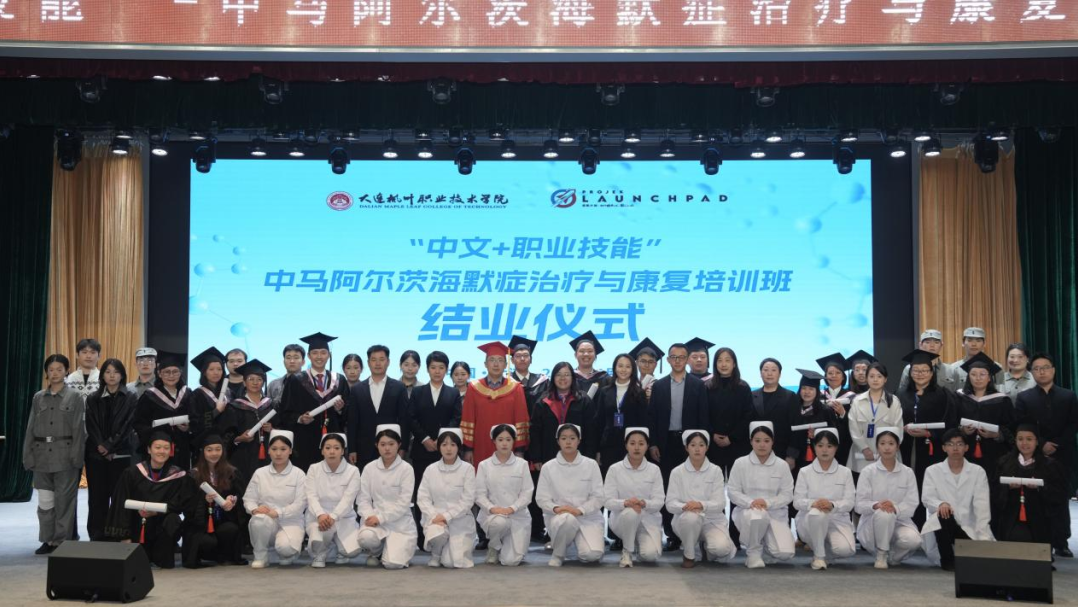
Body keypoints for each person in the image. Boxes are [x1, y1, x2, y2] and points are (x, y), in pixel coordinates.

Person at [1016, 352, 1078, 557]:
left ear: (1053, 370)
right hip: (1035, 453)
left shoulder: (1068, 396)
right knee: (1037, 498)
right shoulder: (1024, 397)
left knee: (1060, 497)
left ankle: (1061, 541)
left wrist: (1056, 444)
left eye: (1045, 368)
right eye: (1036, 369)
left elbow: (1073, 424)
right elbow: (1022, 425)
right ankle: (1040, 540)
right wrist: (1041, 444)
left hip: (1063, 453)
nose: (1041, 372)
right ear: (1031, 372)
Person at [647, 342, 708, 551]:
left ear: (687, 359)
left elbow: (703, 416)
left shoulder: (698, 385)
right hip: (666, 442)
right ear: (668, 360)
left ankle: (694, 531)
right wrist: (653, 443)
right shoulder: (660, 386)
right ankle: (672, 534)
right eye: (674, 357)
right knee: (667, 488)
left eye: (682, 357)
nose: (678, 361)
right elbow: (652, 417)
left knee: (690, 486)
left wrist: (702, 443)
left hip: (691, 443)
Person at [23, 354, 86, 555]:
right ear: (46, 373)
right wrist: (27, 455)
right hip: (41, 457)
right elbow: (31, 427)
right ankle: (47, 539)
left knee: (64, 502)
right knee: (45, 502)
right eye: (51, 369)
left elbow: (79, 430)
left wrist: (77, 457)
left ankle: (61, 541)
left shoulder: (74, 397)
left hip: (65, 457)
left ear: (67, 371)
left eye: (59, 369)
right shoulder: (38, 397)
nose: (55, 373)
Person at [105, 431, 191, 568]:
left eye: (166, 448)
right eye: (157, 447)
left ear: (170, 451)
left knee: (173, 519)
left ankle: (164, 554)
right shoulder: (132, 473)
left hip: (162, 526)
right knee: (137, 564)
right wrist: (124, 536)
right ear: (149, 450)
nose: (162, 451)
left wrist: (156, 511)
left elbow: (180, 502)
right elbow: (120, 504)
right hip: (137, 525)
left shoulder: (178, 475)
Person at [408, 351, 462, 548]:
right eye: (433, 367)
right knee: (422, 493)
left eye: (441, 368)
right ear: (427, 369)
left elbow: (456, 418)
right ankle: (423, 536)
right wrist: (424, 439)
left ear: (446, 370)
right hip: (422, 450)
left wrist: (441, 440)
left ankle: (445, 531)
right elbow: (411, 418)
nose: (437, 371)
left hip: (446, 450)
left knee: (445, 492)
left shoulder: (453, 393)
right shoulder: (417, 392)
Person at [898, 348, 957, 524]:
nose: (920, 374)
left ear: (932, 373)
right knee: (910, 485)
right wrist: (903, 429)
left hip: (934, 449)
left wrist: (930, 433)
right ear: (910, 373)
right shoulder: (901, 394)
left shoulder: (943, 395)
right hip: (908, 448)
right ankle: (911, 525)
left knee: (932, 486)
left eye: (924, 370)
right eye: (916, 370)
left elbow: (951, 422)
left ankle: (934, 527)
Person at [921, 428, 993, 570]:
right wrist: (941, 504)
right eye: (950, 444)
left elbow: (982, 506)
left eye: (959, 444)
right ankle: (947, 560)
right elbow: (927, 498)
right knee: (943, 513)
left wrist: (983, 536)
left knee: (978, 558)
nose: (955, 448)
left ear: (966, 448)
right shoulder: (932, 470)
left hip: (969, 528)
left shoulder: (977, 471)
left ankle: (966, 551)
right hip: (943, 525)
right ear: (944, 448)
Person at [727, 421, 795, 568]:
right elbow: (732, 491)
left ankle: (766, 548)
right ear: (751, 441)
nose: (762, 445)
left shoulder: (782, 465)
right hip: (748, 512)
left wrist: (768, 503)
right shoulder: (740, 463)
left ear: (772, 442)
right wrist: (750, 502)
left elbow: (787, 494)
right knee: (757, 516)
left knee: (785, 553)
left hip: (775, 513)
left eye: (766, 441)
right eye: (757, 441)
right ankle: (753, 553)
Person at [536, 423, 605, 567]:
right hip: (559, 517)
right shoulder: (548, 467)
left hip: (587, 517)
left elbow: (598, 497)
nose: (568, 442)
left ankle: (579, 543)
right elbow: (541, 498)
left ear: (579, 440)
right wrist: (557, 508)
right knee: (566, 520)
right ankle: (558, 553)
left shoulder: (591, 465)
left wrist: (580, 510)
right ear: (558, 441)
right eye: (564, 438)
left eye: (572, 438)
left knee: (592, 555)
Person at [665, 430, 737, 568]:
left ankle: (705, 548)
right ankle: (689, 554)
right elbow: (670, 504)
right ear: (686, 448)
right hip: (685, 520)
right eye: (693, 445)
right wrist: (685, 507)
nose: (697, 449)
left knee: (721, 549)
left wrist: (700, 505)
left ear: (707, 447)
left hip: (711, 520)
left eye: (701, 445)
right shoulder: (677, 472)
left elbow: (720, 503)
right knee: (691, 517)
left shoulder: (715, 471)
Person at [84, 358, 137, 541]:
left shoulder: (130, 397)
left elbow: (127, 425)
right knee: (96, 496)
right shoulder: (93, 398)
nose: (112, 376)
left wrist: (109, 445)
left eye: (116, 372)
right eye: (107, 372)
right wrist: (101, 445)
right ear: (102, 375)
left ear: (122, 375)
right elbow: (91, 424)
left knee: (119, 496)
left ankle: (117, 532)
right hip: (95, 455)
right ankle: (97, 534)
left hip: (121, 454)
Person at [282, 333, 350, 472]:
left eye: (323, 352)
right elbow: (284, 412)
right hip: (305, 440)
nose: (319, 356)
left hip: (332, 441)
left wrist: (340, 409)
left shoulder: (339, 380)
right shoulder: (296, 380)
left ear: (329, 355)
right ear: (308, 356)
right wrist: (300, 418)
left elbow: (349, 413)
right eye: (315, 353)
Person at [855, 427, 922, 568]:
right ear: (877, 447)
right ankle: (881, 553)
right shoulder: (868, 472)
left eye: (891, 443)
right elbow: (859, 505)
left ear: (897, 447)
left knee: (913, 540)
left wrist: (895, 508)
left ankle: (893, 557)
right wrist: (877, 505)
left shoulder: (907, 472)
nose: (887, 448)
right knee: (884, 513)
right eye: (882, 443)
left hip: (900, 520)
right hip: (873, 521)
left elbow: (912, 503)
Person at [793, 428, 856, 570]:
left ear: (836, 448)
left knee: (846, 550)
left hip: (837, 519)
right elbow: (797, 501)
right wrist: (814, 503)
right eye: (820, 445)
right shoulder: (805, 472)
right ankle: (819, 556)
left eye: (829, 446)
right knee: (818, 514)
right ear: (814, 447)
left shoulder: (845, 472)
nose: (825, 450)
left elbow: (850, 502)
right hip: (810, 520)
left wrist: (832, 505)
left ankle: (825, 551)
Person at [994, 424, 1068, 545]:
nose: (1024, 443)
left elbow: (1060, 495)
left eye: (1029, 439)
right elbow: (994, 491)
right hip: (1011, 517)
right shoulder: (1005, 463)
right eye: (1020, 439)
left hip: (1040, 517)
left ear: (1037, 442)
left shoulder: (1050, 465)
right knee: (1016, 537)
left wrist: (1040, 488)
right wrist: (1008, 487)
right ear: (1015, 441)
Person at [460, 342, 530, 467]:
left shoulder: (516, 388)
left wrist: (519, 449)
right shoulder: (473, 387)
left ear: (506, 365)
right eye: (492, 360)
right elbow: (468, 419)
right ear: (485, 364)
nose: (496, 364)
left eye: (500, 360)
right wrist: (468, 449)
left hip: (508, 446)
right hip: (480, 444)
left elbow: (521, 420)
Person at [244, 429, 307, 568]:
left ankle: (287, 553)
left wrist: (278, 512)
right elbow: (249, 498)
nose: (278, 453)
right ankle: (261, 556)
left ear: (290, 451)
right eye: (274, 449)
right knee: (258, 520)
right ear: (268, 451)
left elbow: (300, 504)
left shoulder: (299, 474)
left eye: (283, 449)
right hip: (266, 519)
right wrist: (254, 509)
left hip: (290, 521)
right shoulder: (260, 473)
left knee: (286, 549)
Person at [357, 424, 417, 569]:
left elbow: (404, 503)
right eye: (383, 444)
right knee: (366, 538)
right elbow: (363, 499)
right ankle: (376, 552)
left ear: (399, 445)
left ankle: (391, 551)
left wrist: (381, 518)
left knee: (392, 564)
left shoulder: (406, 469)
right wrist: (369, 516)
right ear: (376, 445)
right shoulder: (369, 468)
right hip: (374, 520)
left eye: (391, 444)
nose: (387, 448)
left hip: (400, 523)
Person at [183, 433, 246, 568]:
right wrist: (203, 500)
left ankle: (224, 556)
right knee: (206, 541)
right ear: (203, 452)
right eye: (209, 450)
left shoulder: (232, 473)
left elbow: (241, 495)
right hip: (201, 524)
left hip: (223, 519)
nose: (214, 453)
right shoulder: (194, 475)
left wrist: (232, 500)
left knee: (230, 529)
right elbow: (187, 504)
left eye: (218, 449)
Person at [603, 427, 664, 567]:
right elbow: (607, 501)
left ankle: (637, 543)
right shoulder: (615, 469)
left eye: (641, 443)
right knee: (631, 513)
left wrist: (644, 503)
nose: (637, 447)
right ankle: (627, 551)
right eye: (632, 443)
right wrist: (626, 503)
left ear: (647, 446)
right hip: (622, 520)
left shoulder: (654, 470)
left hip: (647, 519)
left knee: (650, 556)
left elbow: (659, 500)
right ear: (626, 445)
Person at [475, 424, 534, 566]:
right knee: (499, 523)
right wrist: (492, 508)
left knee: (511, 561)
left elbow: (527, 493)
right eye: (500, 439)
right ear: (494, 441)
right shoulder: (484, 465)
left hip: (518, 516)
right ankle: (494, 546)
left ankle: (507, 546)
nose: (504, 443)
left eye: (508, 439)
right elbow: (479, 494)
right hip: (492, 516)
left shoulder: (522, 464)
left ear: (514, 441)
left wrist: (512, 508)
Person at [417, 428, 476, 568]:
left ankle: (447, 552)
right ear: (439, 447)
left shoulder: (467, 469)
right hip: (435, 519)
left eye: (453, 444)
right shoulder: (431, 469)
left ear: (459, 447)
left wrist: (447, 516)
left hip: (460, 520)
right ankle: (436, 553)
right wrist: (434, 515)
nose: (448, 449)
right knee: (437, 534)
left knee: (453, 563)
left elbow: (468, 500)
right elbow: (422, 498)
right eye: (444, 444)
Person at [347, 345, 411, 469]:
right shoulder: (357, 389)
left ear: (388, 362)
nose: (377, 363)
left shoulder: (399, 387)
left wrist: (403, 447)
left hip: (391, 448)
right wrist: (352, 449)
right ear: (368, 363)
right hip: (363, 449)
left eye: (381, 359)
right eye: (373, 360)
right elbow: (353, 421)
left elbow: (404, 420)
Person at [305, 432, 362, 568]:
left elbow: (348, 499)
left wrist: (334, 516)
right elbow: (311, 496)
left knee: (352, 551)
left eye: (336, 448)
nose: (332, 452)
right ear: (322, 450)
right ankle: (321, 552)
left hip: (343, 517)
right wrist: (320, 514)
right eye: (328, 447)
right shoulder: (314, 469)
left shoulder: (353, 471)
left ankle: (338, 549)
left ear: (342, 451)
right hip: (319, 517)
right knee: (319, 537)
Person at [956, 353, 1015, 482]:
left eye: (982, 374)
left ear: (989, 378)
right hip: (965, 452)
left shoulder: (1002, 400)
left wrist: (997, 434)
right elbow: (951, 423)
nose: (978, 378)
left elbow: (1012, 428)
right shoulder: (958, 398)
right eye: (973, 374)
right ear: (968, 377)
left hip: (994, 454)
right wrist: (962, 430)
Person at [216, 359, 276, 483]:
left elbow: (283, 430)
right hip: (243, 456)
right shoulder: (234, 406)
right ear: (244, 382)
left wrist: (272, 430)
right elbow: (225, 435)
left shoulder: (271, 405)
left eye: (259, 379)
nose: (255, 382)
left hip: (269, 456)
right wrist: (239, 438)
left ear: (263, 382)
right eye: (251, 379)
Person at [132, 351, 192, 470]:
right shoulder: (149, 396)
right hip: (159, 450)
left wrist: (189, 427)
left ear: (180, 373)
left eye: (175, 371)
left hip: (182, 449)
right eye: (166, 372)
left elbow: (196, 418)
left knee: (181, 478)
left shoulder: (188, 394)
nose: (171, 375)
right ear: (159, 373)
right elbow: (139, 423)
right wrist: (155, 434)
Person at [531, 361, 598, 467]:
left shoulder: (584, 400)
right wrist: (536, 457)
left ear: (573, 378)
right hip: (549, 455)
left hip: (579, 456)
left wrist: (590, 456)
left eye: (567, 374)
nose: (563, 378)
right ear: (553, 378)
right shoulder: (543, 401)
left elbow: (591, 432)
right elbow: (535, 431)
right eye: (558, 375)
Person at [704, 347, 753, 480]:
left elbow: (748, 416)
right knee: (713, 484)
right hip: (713, 444)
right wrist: (712, 434)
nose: (723, 364)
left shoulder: (743, 387)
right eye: (719, 361)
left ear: (734, 364)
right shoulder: (708, 387)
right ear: (715, 364)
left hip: (737, 444)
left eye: (727, 360)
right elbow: (704, 414)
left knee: (738, 484)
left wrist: (732, 438)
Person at [595, 354, 649, 475]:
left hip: (632, 445)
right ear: (614, 368)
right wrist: (597, 450)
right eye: (620, 366)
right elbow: (599, 422)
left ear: (633, 370)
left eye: (628, 366)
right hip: (608, 445)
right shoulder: (605, 392)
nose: (623, 370)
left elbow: (643, 422)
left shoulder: (639, 393)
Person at [847, 362, 903, 475]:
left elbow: (899, 428)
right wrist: (864, 448)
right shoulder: (857, 401)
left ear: (885, 379)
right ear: (867, 378)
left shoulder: (894, 401)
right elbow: (853, 428)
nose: (875, 380)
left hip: (888, 454)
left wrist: (888, 448)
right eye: (871, 376)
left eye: (879, 376)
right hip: (861, 456)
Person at [785, 369, 838, 474]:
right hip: (795, 457)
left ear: (816, 391)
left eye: (811, 389)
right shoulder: (793, 409)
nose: (807, 392)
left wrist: (817, 434)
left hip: (818, 456)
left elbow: (833, 435)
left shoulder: (825, 411)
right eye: (804, 388)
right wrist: (790, 456)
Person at [750, 358, 794, 465]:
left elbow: (795, 428)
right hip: (756, 452)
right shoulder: (752, 396)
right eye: (766, 370)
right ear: (760, 373)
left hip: (782, 452)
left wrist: (791, 455)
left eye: (774, 370)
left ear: (780, 374)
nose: (769, 373)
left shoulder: (790, 396)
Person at [816, 352, 854, 466]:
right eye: (830, 373)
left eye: (838, 373)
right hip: (822, 441)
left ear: (843, 376)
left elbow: (856, 422)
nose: (834, 376)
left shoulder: (851, 396)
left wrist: (843, 413)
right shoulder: (819, 395)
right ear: (825, 376)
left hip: (844, 442)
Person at [188, 347, 229, 441]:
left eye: (219, 369)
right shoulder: (196, 395)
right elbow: (195, 423)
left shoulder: (229, 393)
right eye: (211, 369)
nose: (216, 373)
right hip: (206, 441)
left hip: (226, 442)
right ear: (204, 372)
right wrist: (216, 411)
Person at [509, 335, 548, 417]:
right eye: (518, 356)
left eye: (526, 355)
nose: (522, 359)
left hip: (538, 424)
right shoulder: (507, 381)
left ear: (531, 360)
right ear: (512, 360)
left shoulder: (542, 381)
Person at [268, 344, 306, 409]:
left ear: (303, 362)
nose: (292, 361)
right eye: (288, 358)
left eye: (296, 358)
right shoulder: (273, 385)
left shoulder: (310, 384)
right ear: (284, 361)